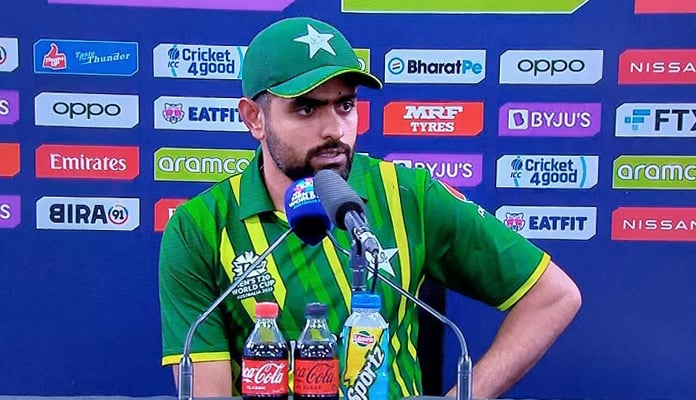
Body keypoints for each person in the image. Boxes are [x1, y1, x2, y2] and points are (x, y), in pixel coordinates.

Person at [158, 16, 581, 399]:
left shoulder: (409, 194)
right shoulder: (200, 227)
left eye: (345, 105)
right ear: (254, 118)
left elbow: (553, 297)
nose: (334, 129)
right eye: (306, 108)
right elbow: (207, 392)